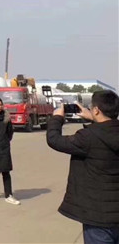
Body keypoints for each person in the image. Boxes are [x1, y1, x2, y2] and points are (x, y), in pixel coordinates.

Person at [46, 90, 119, 244]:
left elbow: (54, 140)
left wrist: (57, 118)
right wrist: (94, 119)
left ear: (96, 110)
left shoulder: (88, 137)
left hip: (98, 216)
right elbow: (107, 131)